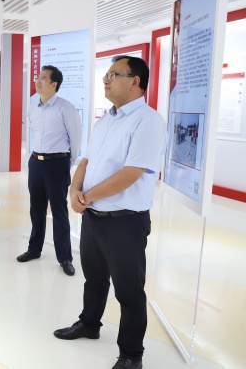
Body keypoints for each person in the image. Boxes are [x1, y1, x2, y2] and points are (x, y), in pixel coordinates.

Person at [53, 56, 166, 369]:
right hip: (94, 217)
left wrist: (86, 196)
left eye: (114, 74)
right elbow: (86, 161)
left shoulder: (148, 121)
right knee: (94, 279)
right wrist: (74, 191)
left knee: (129, 292)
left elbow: (130, 174)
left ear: (135, 82)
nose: (106, 79)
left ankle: (131, 354)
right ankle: (89, 323)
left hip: (125, 222)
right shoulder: (105, 120)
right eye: (106, 74)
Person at [17, 65, 81, 277]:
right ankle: (34, 249)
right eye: (37, 77)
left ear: (54, 84)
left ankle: (65, 257)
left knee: (59, 210)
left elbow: (75, 139)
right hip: (36, 162)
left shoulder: (66, 108)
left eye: (43, 78)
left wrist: (66, 164)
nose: (38, 81)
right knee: (36, 209)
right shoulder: (32, 107)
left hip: (57, 163)